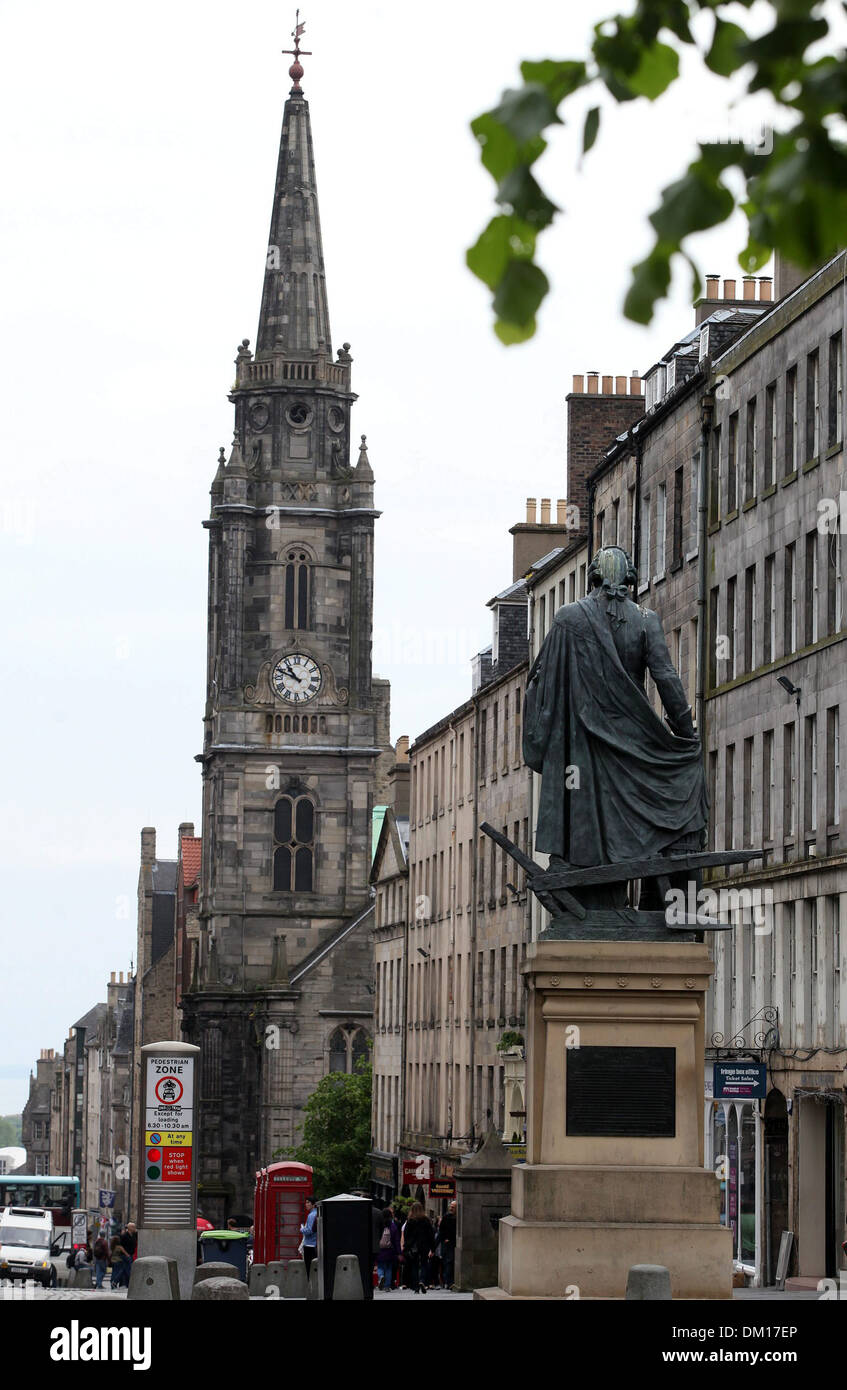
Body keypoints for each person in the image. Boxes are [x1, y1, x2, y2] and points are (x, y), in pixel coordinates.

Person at [523, 545, 707, 912]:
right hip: (634, 744)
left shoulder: (567, 619)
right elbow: (667, 681)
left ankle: (633, 887)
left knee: (581, 790)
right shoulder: (644, 620)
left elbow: (541, 686)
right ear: (630, 580)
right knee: (687, 780)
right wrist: (687, 737)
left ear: (592, 578)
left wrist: (548, 731)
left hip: (584, 745)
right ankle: (671, 898)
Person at [401, 1202, 434, 1294]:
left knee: (414, 1266)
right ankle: (422, 1281)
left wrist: (406, 1247)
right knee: (424, 1263)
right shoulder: (426, 1220)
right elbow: (430, 1234)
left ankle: (416, 1287)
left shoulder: (410, 1221)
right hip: (424, 1246)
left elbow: (406, 1235)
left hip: (413, 1247)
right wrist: (432, 1248)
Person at [375, 1207, 401, 1291]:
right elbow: (396, 1240)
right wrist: (399, 1252)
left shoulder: (379, 1224)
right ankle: (387, 1286)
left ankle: (381, 1276)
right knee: (389, 1268)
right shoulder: (392, 1226)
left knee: (380, 1266)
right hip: (390, 1250)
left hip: (380, 1250)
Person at [437, 1200, 457, 1289]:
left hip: (456, 1242)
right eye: (450, 1206)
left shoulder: (460, 1217)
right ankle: (449, 1282)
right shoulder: (446, 1217)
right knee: (449, 1261)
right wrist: (444, 1239)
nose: (451, 1208)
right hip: (449, 1243)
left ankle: (452, 1281)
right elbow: (441, 1231)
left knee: (451, 1262)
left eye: (453, 1207)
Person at [299, 1197, 317, 1278]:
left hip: (309, 1245)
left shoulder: (311, 1215)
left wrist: (302, 1229)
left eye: (308, 1202)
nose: (306, 1204)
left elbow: (309, 1231)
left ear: (313, 1204)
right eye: (306, 1202)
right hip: (315, 1244)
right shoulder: (317, 1213)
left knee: (308, 1269)